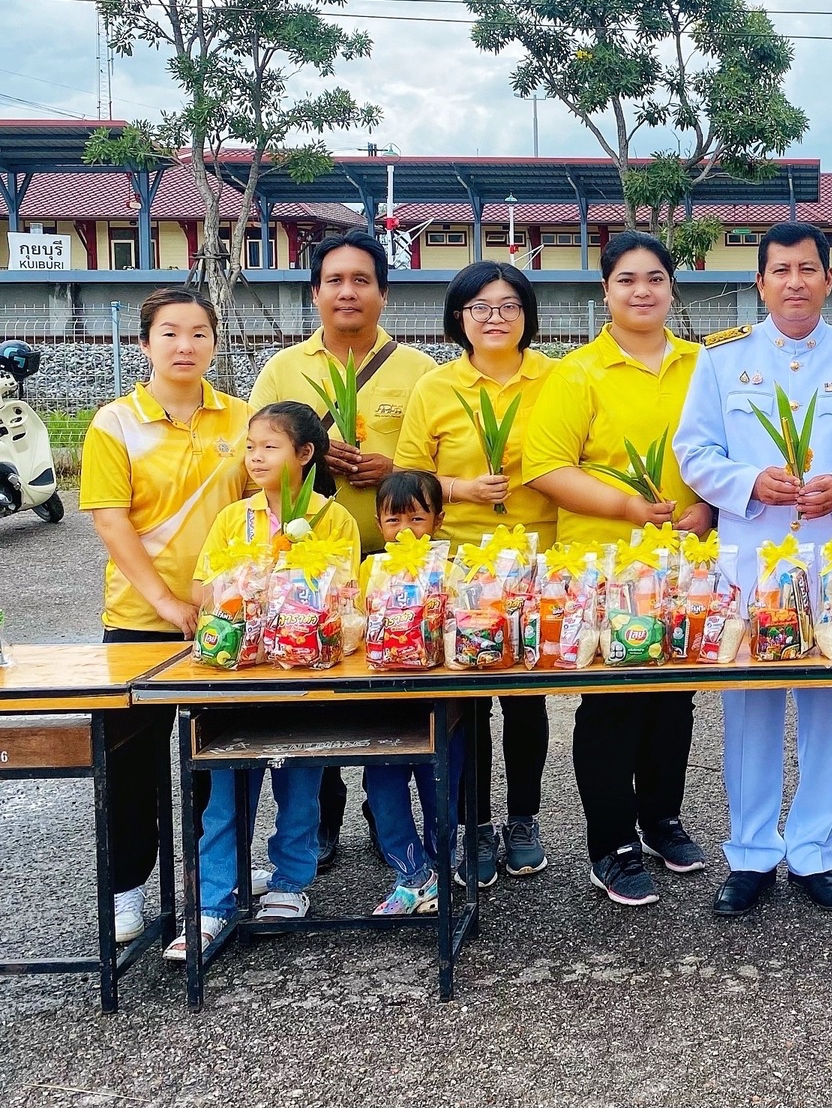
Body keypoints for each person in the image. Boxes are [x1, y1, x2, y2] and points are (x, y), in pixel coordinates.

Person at [675, 223, 832, 917]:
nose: (795, 282)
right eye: (780, 270)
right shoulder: (721, 360)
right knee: (747, 707)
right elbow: (694, 451)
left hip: (829, 562)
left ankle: (814, 854)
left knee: (823, 707)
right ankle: (750, 854)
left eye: (808, 269)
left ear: (829, 280)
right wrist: (748, 481)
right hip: (750, 559)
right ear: (759, 282)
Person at [525, 231, 718, 908]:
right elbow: (547, 466)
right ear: (604, 292)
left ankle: (661, 819)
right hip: (602, 568)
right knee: (611, 703)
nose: (642, 291)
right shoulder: (574, 373)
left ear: (672, 288)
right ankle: (610, 844)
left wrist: (710, 511)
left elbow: (729, 453)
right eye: (627, 279)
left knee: (673, 698)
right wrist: (629, 508)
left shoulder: (707, 365)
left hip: (683, 564)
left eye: (655, 278)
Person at [249, 231, 435, 865]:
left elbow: (431, 467)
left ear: (383, 292)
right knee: (312, 690)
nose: (348, 291)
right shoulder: (284, 368)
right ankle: (319, 821)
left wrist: (392, 468)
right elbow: (263, 455)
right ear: (315, 293)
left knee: (397, 695)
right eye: (335, 280)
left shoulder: (418, 371)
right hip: (311, 563)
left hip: (393, 564)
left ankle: (391, 820)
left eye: (362, 279)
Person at [79, 286, 252, 945]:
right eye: (171, 333)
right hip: (138, 621)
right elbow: (111, 522)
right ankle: (127, 891)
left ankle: (215, 883)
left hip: (222, 624)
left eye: (200, 332)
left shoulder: (241, 420)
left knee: (219, 760)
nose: (186, 345)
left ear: (215, 341)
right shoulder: (113, 423)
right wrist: (166, 603)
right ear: (146, 342)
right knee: (131, 768)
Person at [164, 402, 362, 960]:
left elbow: (343, 594)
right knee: (225, 789)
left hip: (304, 671)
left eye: (269, 447)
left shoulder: (333, 518)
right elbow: (204, 588)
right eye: (250, 446)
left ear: (305, 454)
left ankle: (290, 881)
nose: (255, 456)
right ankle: (214, 902)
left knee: (300, 776)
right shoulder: (235, 517)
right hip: (240, 675)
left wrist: (292, 588)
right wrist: (246, 586)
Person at [396, 262, 557, 886]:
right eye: (480, 307)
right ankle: (475, 824)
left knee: (524, 697)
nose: (495, 318)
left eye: (509, 306)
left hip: (536, 560)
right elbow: (406, 479)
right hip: (459, 563)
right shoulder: (436, 388)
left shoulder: (557, 379)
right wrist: (460, 487)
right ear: (458, 318)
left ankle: (523, 818)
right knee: (466, 700)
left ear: (528, 315)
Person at [360, 469, 468, 916]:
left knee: (441, 789)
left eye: (417, 519)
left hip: (444, 705)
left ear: (438, 520)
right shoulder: (371, 569)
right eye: (392, 522)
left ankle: (441, 868)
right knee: (382, 786)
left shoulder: (453, 570)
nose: (405, 531)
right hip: (383, 707)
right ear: (379, 525)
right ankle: (412, 875)